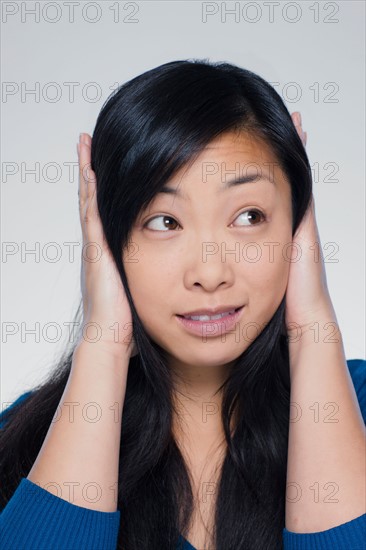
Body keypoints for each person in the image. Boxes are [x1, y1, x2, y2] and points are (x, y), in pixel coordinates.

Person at [0, 59, 365, 550]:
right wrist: (103, 342)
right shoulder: (33, 439)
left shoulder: (354, 404)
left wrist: (313, 325)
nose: (210, 273)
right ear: (107, 238)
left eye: (250, 215)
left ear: (298, 226)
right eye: (164, 222)